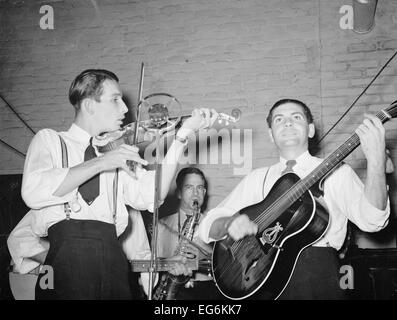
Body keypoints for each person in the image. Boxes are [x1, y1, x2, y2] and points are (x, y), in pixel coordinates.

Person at [8, 69, 218, 300]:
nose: (125, 109)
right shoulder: (50, 140)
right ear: (89, 106)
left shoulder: (115, 152)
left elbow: (152, 194)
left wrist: (181, 137)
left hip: (112, 257)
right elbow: (33, 191)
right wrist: (101, 162)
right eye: (115, 100)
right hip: (67, 258)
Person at [198, 98, 390, 300]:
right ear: (271, 135)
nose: (287, 123)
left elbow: (373, 220)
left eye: (296, 117)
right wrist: (229, 223)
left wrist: (376, 160)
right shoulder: (256, 178)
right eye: (279, 119)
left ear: (310, 130)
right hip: (259, 279)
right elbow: (207, 225)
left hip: (316, 276)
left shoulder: (339, 172)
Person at [155, 167, 224, 300]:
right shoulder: (161, 225)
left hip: (206, 291)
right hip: (170, 291)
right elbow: (152, 261)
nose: (195, 193)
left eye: (199, 188)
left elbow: (230, 266)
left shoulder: (217, 226)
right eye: (189, 187)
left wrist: (206, 256)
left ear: (204, 192)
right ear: (179, 193)